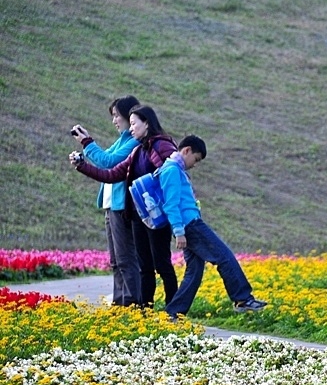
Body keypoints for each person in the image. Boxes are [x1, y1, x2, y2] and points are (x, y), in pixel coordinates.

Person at [70, 105, 178, 308]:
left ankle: (174, 309)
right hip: (139, 216)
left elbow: (173, 176)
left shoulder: (163, 146)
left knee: (162, 264)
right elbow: (111, 174)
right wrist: (82, 166)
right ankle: (144, 309)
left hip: (158, 216)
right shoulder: (138, 150)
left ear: (146, 123)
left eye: (134, 123)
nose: (131, 128)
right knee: (145, 266)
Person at [157, 135, 267, 320]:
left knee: (194, 271)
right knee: (224, 256)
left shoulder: (174, 169)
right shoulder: (172, 170)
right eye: (196, 159)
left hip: (188, 225)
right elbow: (171, 204)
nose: (195, 164)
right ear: (186, 151)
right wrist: (178, 231)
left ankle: (173, 314)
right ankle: (242, 299)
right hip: (190, 225)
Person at [70, 96, 141, 307]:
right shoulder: (122, 140)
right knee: (115, 261)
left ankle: (131, 304)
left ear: (131, 116)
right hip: (111, 206)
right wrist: (83, 158)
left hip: (122, 206)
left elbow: (108, 162)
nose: (114, 121)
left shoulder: (134, 142)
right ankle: (120, 303)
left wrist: (86, 142)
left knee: (125, 258)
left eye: (117, 116)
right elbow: (103, 159)